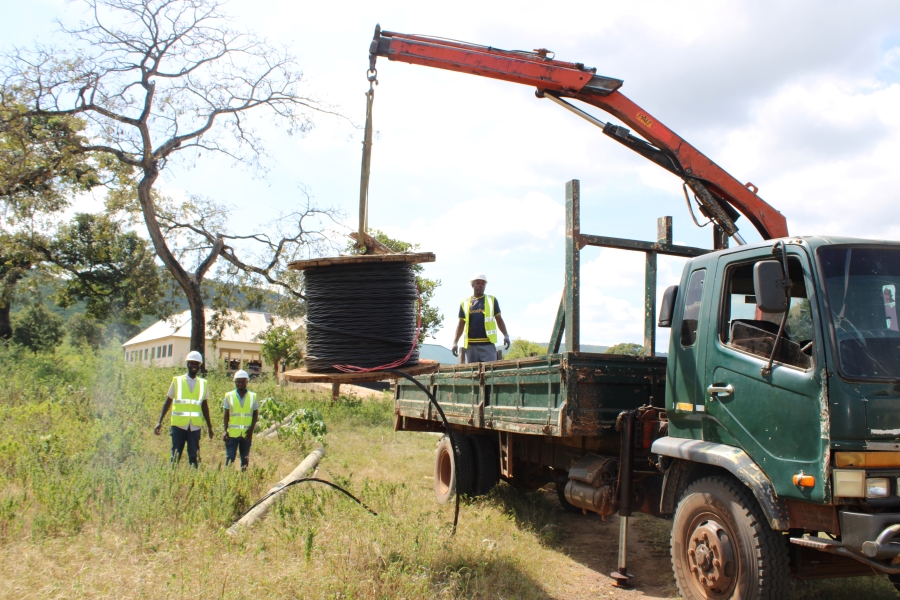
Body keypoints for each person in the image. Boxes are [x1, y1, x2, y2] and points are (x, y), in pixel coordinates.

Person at [153, 350, 214, 467]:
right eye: (191, 363)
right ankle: (172, 479)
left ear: (200, 365)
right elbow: (168, 402)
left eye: (196, 363)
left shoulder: (203, 383)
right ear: (187, 364)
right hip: (178, 425)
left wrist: (209, 426)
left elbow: (205, 406)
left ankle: (193, 481)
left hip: (194, 426)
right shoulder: (177, 381)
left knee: (194, 456)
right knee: (175, 455)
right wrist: (159, 421)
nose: (194, 366)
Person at [452, 273, 510, 363]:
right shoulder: (465, 302)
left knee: (489, 373)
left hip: (488, 345)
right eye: (477, 283)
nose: (480, 285)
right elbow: (461, 323)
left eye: (483, 283)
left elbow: (499, 319)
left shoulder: (492, 300)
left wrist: (506, 335)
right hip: (471, 346)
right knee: (472, 374)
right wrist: (455, 342)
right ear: (472, 285)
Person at [222, 369, 259, 471]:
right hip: (232, 434)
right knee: (230, 458)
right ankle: (227, 478)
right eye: (238, 381)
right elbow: (226, 415)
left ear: (247, 382)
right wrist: (225, 430)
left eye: (243, 381)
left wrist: (251, 430)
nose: (241, 384)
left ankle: (243, 479)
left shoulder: (253, 396)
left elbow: (255, 414)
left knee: (245, 459)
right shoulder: (229, 396)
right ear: (235, 382)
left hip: (246, 434)